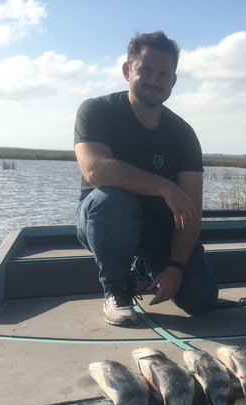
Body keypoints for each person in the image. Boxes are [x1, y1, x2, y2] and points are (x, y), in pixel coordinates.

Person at [74, 31, 218, 326]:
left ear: (173, 81)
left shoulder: (183, 134)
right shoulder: (96, 111)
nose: (155, 80)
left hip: (156, 229)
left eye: (164, 74)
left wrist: (176, 267)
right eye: (146, 70)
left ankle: (142, 266)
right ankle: (117, 290)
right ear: (128, 70)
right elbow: (95, 170)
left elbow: (191, 212)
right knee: (112, 200)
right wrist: (165, 187)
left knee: (200, 298)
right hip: (105, 221)